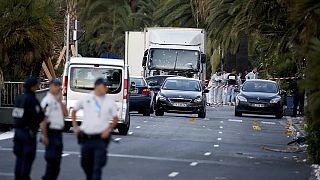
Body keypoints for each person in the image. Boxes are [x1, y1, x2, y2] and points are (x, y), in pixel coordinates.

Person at [72, 78, 119, 180]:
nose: (106, 89)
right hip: (86, 138)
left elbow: (116, 118)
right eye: (105, 86)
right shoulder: (86, 98)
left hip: (100, 139)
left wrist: (109, 129)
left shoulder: (109, 101)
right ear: (97, 86)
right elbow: (74, 111)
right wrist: (76, 127)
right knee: (85, 164)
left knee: (97, 166)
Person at [12, 77, 44, 180]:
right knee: (27, 158)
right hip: (28, 133)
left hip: (18, 132)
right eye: (36, 85)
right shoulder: (32, 100)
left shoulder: (19, 98)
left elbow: (15, 115)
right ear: (33, 87)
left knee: (19, 158)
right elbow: (39, 116)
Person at [40, 79, 68, 180]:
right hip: (51, 133)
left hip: (58, 134)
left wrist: (60, 101)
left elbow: (66, 113)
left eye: (59, 85)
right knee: (51, 159)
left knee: (57, 161)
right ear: (50, 86)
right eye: (56, 85)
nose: (58, 87)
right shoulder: (47, 100)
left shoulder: (58, 100)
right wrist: (44, 135)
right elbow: (43, 119)